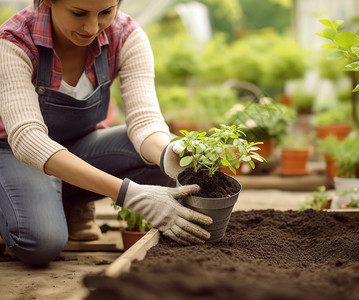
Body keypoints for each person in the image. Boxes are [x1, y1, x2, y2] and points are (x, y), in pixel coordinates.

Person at [0, 0, 213, 266]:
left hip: (81, 146)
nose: (92, 27)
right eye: (79, 13)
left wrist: (170, 152)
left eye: (105, 12)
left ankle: (66, 203)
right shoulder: (14, 41)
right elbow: (27, 139)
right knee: (41, 244)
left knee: (164, 164)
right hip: (14, 154)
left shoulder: (125, 35)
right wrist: (129, 194)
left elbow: (144, 120)